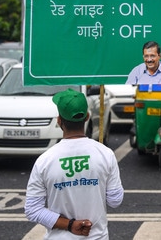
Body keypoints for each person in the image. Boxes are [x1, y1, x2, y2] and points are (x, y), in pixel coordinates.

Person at [25, 88, 124, 239]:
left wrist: (70, 224)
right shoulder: (105, 154)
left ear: (59, 121)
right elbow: (115, 200)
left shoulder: (45, 160)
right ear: (87, 117)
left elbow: (32, 209)